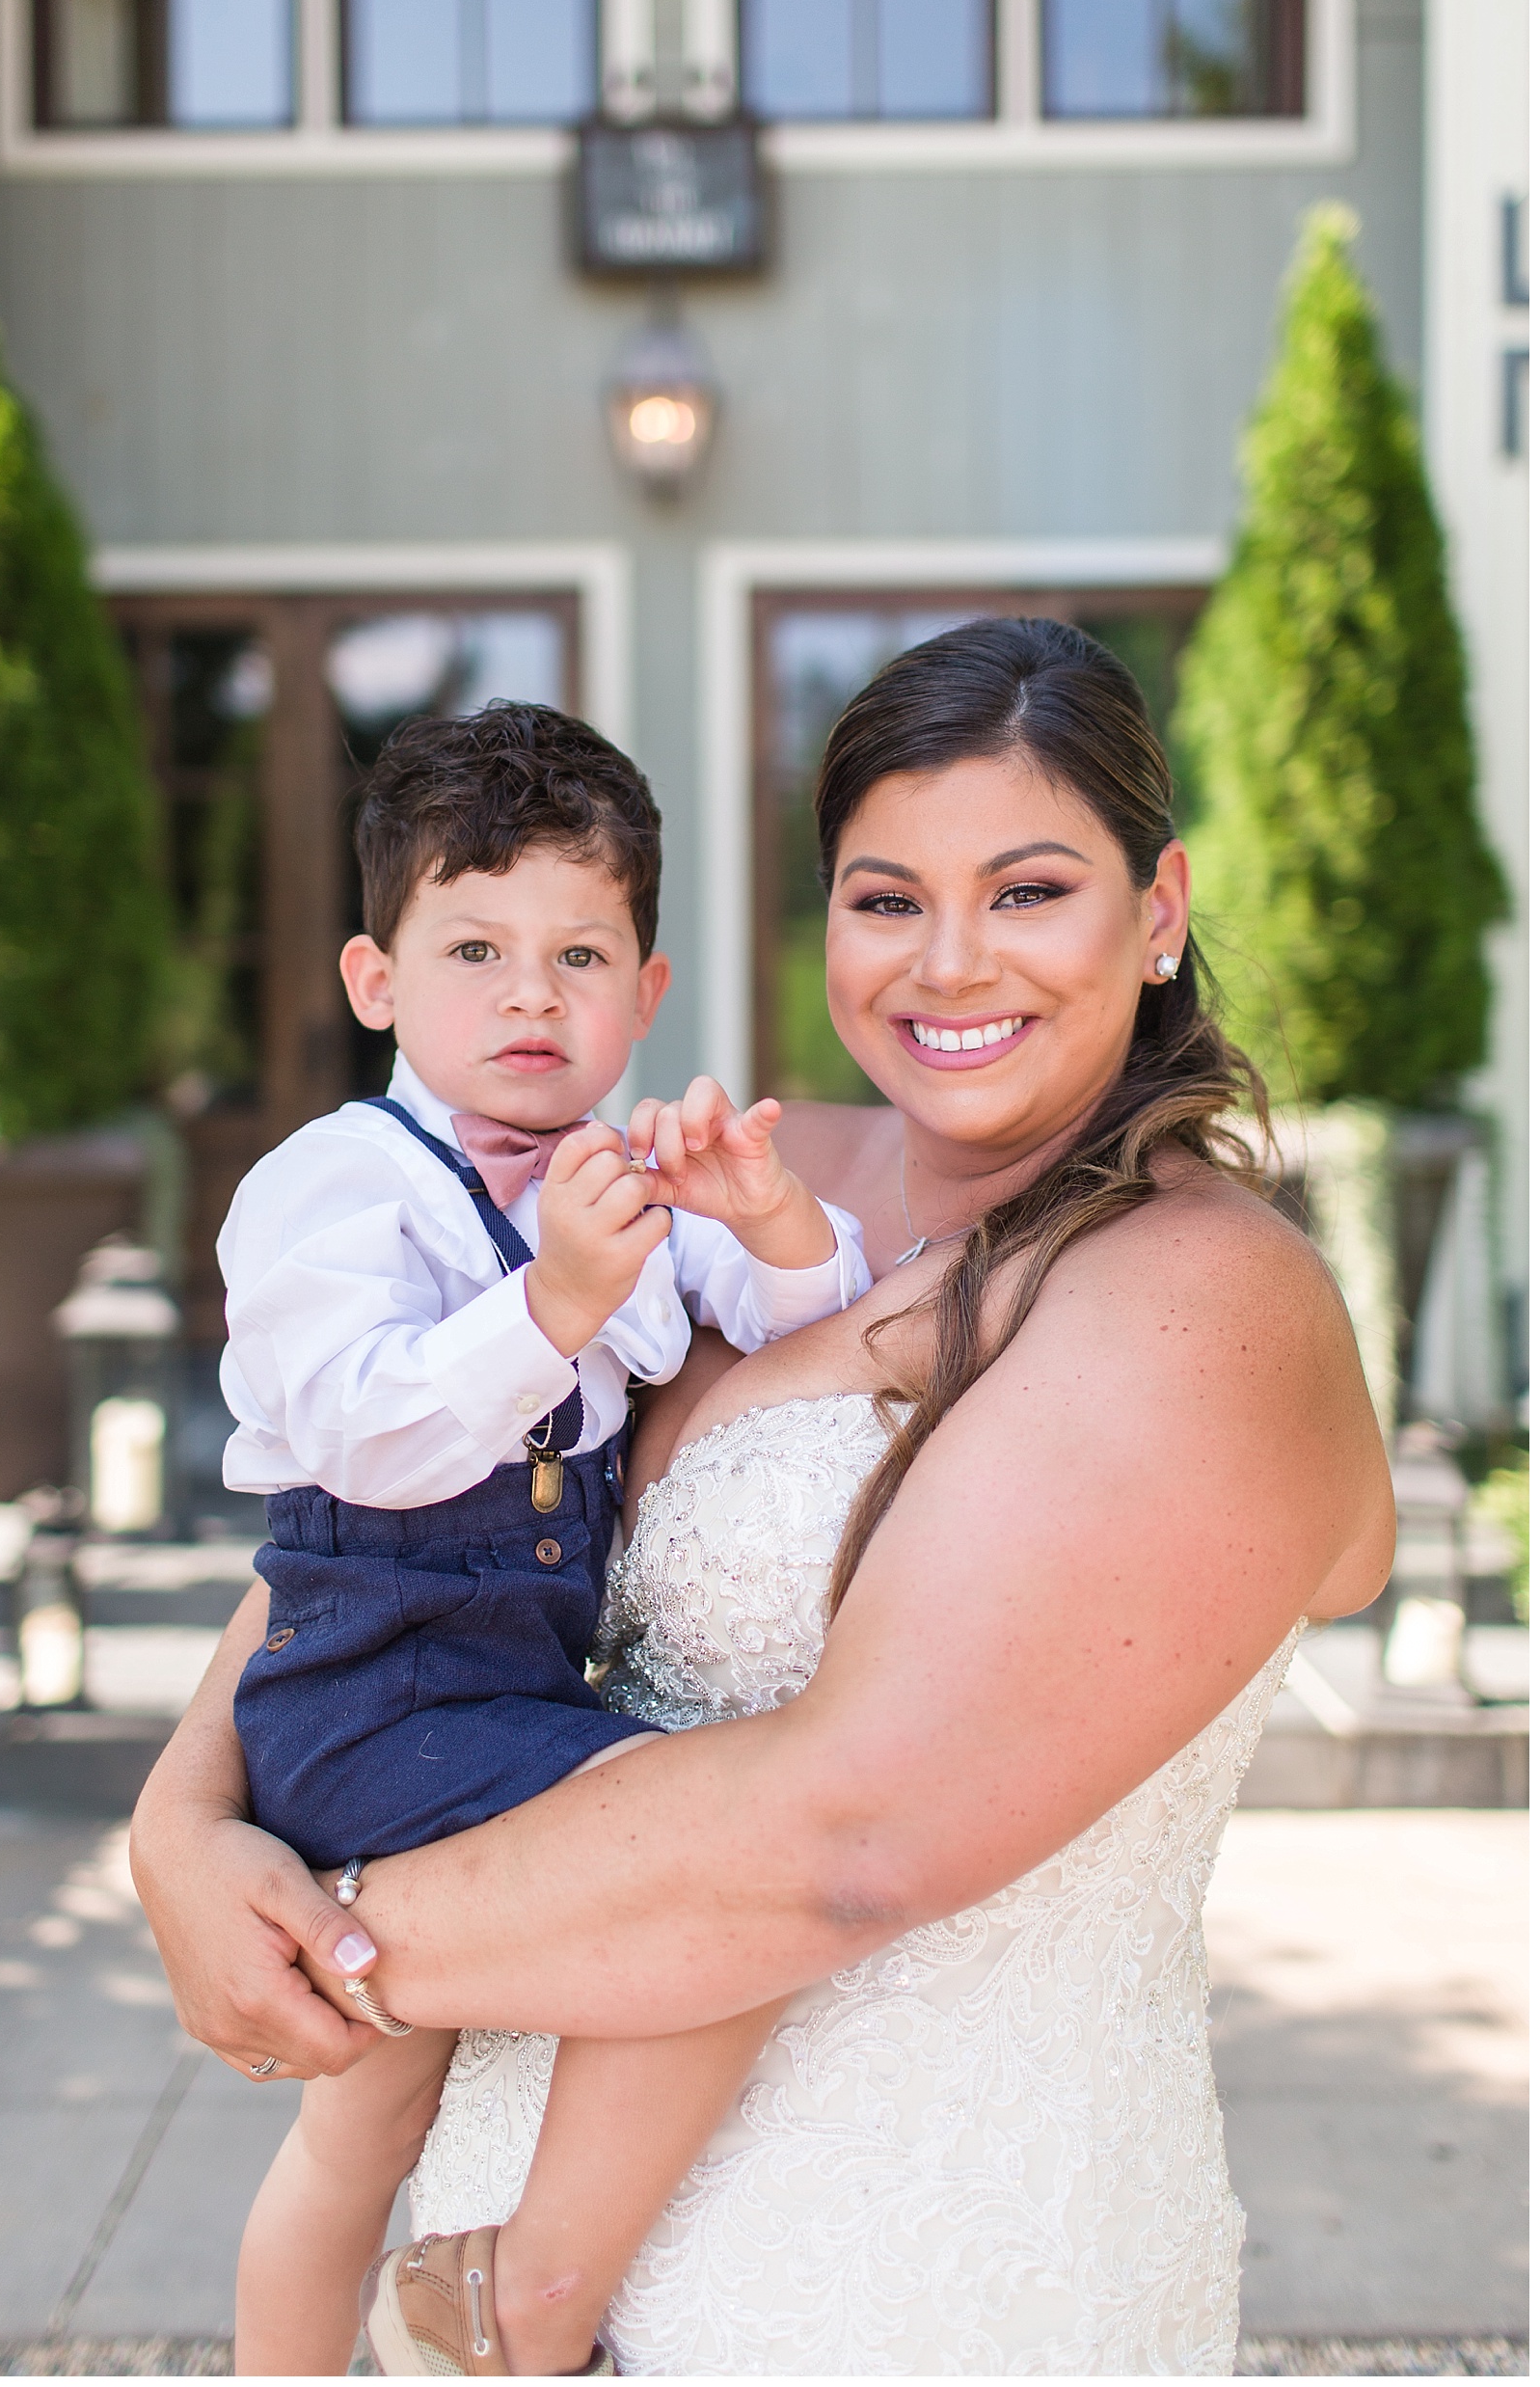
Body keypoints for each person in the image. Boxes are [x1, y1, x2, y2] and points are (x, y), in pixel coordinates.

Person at [132, 619, 1394, 2375]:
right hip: (482, 2233)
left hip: (893, 2270)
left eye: (1028, 890)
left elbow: (841, 1839)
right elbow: (412, 1498)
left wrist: (329, 1937)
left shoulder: (1199, 1295)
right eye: (885, 899)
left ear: (1159, 906)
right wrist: (185, 1826)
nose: (950, 964)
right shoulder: (757, 1177)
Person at [219, 703, 869, 2375]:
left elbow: (821, 1328)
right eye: (476, 948)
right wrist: (550, 1302)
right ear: (378, 980)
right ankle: (510, 2300)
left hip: (505, 1693)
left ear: (646, 994)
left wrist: (767, 1216)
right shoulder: (335, 1188)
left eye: (582, 951)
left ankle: (465, 2284)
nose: (532, 993)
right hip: (371, 1693)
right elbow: (361, 1430)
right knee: (718, 1871)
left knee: (360, 2127)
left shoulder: (622, 1179)